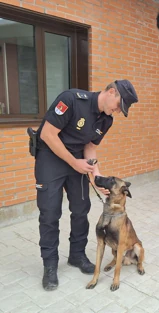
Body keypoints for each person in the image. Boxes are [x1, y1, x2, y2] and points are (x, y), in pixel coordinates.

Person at [34, 80, 138, 291]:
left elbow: (90, 147)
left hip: (78, 163)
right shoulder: (71, 99)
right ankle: (50, 264)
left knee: (81, 209)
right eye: (119, 105)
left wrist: (96, 177)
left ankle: (77, 255)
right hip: (50, 160)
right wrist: (74, 162)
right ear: (111, 92)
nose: (117, 111)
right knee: (50, 214)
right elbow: (47, 134)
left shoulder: (106, 120)